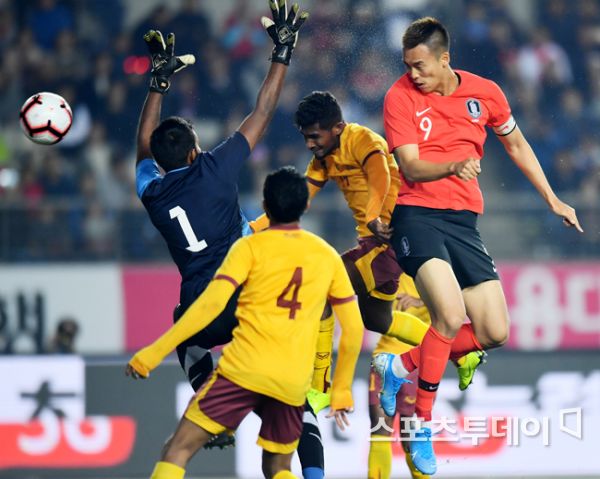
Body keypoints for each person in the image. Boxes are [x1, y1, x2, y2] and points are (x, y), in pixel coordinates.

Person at [373, 17, 583, 475]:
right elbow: (410, 166)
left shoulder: (485, 94)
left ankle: (399, 366)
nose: (413, 74)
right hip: (417, 216)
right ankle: (420, 425)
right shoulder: (399, 97)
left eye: (420, 66)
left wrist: (552, 199)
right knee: (449, 316)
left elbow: (518, 145)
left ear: (445, 59)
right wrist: (452, 166)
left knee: (493, 331)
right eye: (407, 65)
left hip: (464, 222)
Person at [134, 0, 307, 449]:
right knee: (288, 383)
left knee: (187, 336)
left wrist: (157, 84)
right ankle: (307, 405)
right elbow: (262, 112)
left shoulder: (152, 193)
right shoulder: (215, 168)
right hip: (249, 295)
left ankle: (213, 412)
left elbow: (143, 150)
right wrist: (282, 53)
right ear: (195, 152)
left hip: (202, 307)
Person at [126, 166, 364, 479]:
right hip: (291, 379)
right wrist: (342, 388)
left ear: (265, 206)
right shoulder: (327, 255)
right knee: (277, 467)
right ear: (306, 205)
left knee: (177, 449)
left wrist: (153, 353)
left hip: (244, 369)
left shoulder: (249, 247)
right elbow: (353, 329)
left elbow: (210, 305)